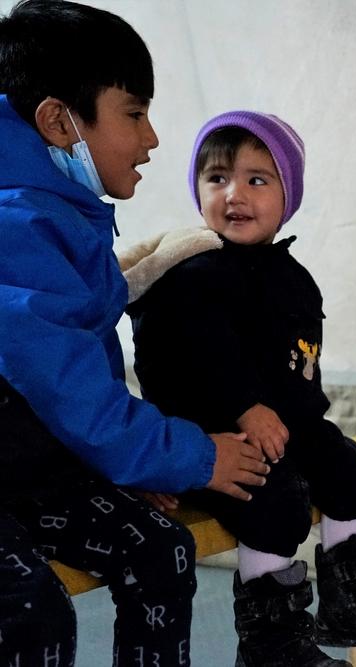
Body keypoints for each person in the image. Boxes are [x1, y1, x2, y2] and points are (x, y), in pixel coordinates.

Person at [0, 1, 270, 665]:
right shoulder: (16, 225)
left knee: (163, 548)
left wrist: (128, 461)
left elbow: (90, 367)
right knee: (32, 605)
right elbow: (70, 390)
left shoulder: (68, 212)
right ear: (60, 121)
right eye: (134, 113)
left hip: (32, 471)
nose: (151, 139)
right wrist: (193, 454)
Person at [122, 110, 356, 667]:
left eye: (257, 179)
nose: (234, 194)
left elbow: (302, 358)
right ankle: (272, 640)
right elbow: (188, 359)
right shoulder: (193, 273)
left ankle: (352, 601)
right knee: (276, 500)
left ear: (287, 194)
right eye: (216, 178)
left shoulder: (288, 273)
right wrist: (245, 408)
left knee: (350, 469)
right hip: (208, 437)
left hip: (283, 427)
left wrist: (308, 420)